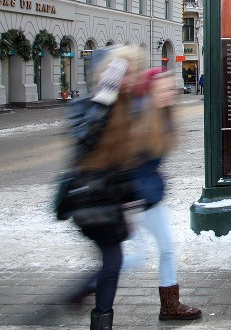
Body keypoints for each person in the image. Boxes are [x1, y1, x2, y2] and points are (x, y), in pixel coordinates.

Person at [60, 46, 148, 329]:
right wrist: (104, 98)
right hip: (89, 198)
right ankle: (96, 315)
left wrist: (134, 202)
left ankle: (93, 308)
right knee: (113, 259)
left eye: (132, 73)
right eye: (125, 72)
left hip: (112, 200)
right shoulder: (86, 106)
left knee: (113, 260)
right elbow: (85, 140)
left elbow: (129, 161)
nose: (131, 78)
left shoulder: (129, 109)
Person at [123, 69, 203, 321]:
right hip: (133, 199)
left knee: (166, 248)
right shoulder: (139, 117)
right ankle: (91, 286)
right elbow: (126, 163)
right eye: (163, 88)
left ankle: (170, 306)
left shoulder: (162, 116)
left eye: (171, 88)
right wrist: (129, 203)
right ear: (150, 90)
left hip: (149, 196)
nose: (170, 92)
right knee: (134, 256)